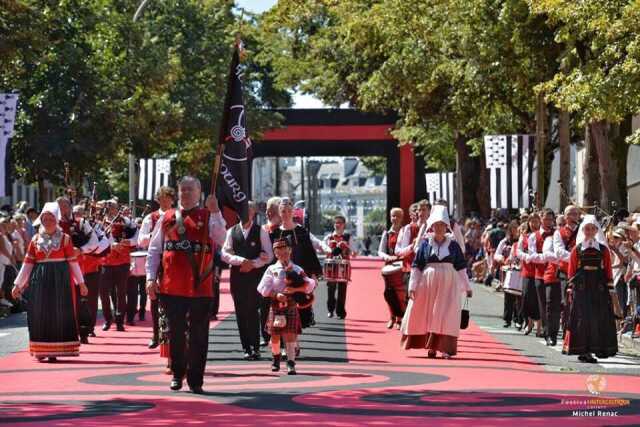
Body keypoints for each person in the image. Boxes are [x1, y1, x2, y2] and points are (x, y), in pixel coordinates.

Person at [146, 176, 226, 393]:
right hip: (172, 286)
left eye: (190, 189)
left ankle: (196, 379)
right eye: (183, 190)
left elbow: (221, 238)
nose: (186, 193)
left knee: (199, 334)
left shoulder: (208, 215)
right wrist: (151, 278)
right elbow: (155, 251)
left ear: (199, 192)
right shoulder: (168, 217)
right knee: (176, 333)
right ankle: (178, 372)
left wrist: (216, 211)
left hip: (201, 285)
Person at [11, 203, 88, 361]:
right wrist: (17, 284)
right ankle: (41, 349)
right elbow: (27, 264)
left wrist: (81, 283)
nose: (47, 221)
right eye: (44, 218)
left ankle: (55, 350)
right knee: (39, 312)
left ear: (56, 219)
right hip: (39, 280)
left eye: (50, 218)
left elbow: (73, 263)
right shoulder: (35, 239)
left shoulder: (65, 239)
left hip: (60, 280)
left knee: (59, 313)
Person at [400, 205, 473, 358]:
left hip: (448, 284)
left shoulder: (453, 245)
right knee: (429, 313)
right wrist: (412, 286)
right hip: (428, 283)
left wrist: (467, 286)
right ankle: (431, 346)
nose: (439, 228)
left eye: (442, 225)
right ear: (432, 227)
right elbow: (417, 266)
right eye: (436, 225)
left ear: (446, 227)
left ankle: (445, 348)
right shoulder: (426, 244)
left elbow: (461, 267)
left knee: (447, 315)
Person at [221, 200, 273, 360]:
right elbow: (224, 253)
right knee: (240, 312)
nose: (245, 214)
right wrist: (240, 261)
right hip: (237, 276)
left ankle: (255, 347)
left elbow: (269, 255)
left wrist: (253, 264)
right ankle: (246, 348)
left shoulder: (261, 231)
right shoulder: (231, 231)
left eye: (248, 211)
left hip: (255, 276)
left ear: (253, 213)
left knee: (252, 311)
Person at [563, 215, 618, 363]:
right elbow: (571, 270)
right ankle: (583, 350)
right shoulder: (577, 249)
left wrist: (610, 289)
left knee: (597, 318)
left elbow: (608, 270)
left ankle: (596, 348)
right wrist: (570, 289)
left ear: (596, 230)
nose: (589, 231)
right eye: (587, 228)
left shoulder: (603, 250)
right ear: (583, 230)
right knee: (582, 318)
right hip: (581, 288)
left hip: (598, 288)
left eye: (592, 228)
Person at [258, 237, 316, 375]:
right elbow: (262, 288)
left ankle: (291, 363)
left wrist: (295, 290)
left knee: (290, 336)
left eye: (285, 250)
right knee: (275, 337)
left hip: (290, 306)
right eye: (279, 251)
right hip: (276, 306)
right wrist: (275, 295)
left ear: (290, 251)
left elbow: (310, 285)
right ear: (275, 253)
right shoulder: (271, 270)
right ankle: (276, 359)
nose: (283, 254)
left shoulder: (297, 269)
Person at [137, 186, 176, 349]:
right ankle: (155, 334)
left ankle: (172, 334)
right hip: (157, 260)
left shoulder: (177, 216)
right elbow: (141, 241)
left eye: (168, 198)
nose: (165, 201)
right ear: (158, 200)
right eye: (162, 198)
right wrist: (153, 234)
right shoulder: (150, 218)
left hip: (173, 261)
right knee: (154, 299)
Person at [322, 215, 356, 319]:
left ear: (344, 225)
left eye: (340, 223)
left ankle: (341, 312)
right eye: (336, 223)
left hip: (343, 266)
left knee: (342, 289)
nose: (337, 225)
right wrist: (330, 248)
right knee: (331, 289)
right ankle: (330, 310)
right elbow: (323, 248)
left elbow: (354, 253)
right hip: (331, 267)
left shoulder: (348, 237)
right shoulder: (328, 237)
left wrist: (346, 247)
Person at [553, 205, 580, 337]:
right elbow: (559, 252)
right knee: (566, 301)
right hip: (566, 271)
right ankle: (566, 330)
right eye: (571, 214)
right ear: (565, 216)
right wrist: (576, 258)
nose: (574, 216)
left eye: (576, 213)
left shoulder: (584, 230)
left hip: (581, 272)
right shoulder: (559, 232)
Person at [259, 196, 282, 346]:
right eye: (267, 210)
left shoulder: (285, 230)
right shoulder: (262, 229)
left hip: (281, 273)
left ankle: (282, 336)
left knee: (281, 305)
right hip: (265, 272)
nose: (268, 213)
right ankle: (265, 335)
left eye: (272, 210)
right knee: (264, 304)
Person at [378, 207, 406, 329]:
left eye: (397, 216)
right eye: (392, 216)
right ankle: (392, 317)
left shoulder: (405, 231)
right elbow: (380, 251)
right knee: (389, 294)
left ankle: (400, 319)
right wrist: (387, 257)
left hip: (402, 266)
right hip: (389, 266)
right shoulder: (387, 233)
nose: (394, 218)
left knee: (401, 294)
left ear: (402, 218)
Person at [516, 217, 541, 336]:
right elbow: (518, 251)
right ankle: (529, 321)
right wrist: (527, 257)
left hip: (540, 269)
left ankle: (540, 326)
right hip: (527, 270)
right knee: (526, 297)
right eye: (532, 221)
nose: (534, 224)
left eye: (536, 221)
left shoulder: (542, 235)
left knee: (538, 298)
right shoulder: (524, 236)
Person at [494, 221, 522, 329]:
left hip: (520, 270)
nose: (515, 231)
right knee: (508, 296)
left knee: (519, 296)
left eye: (517, 228)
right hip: (508, 270)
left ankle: (518, 319)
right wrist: (501, 258)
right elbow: (497, 254)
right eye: (514, 228)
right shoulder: (505, 242)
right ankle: (507, 319)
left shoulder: (522, 241)